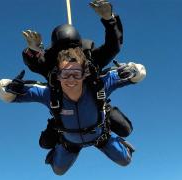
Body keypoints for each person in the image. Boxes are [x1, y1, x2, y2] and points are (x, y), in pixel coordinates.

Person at [0, 47, 146, 175]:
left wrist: (131, 70)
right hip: (69, 142)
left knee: (125, 160)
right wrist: (10, 88)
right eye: (65, 75)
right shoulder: (49, 94)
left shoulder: (99, 86)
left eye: (76, 74)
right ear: (58, 76)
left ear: (85, 74)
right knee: (58, 171)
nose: (71, 80)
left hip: (101, 136)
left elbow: (139, 72)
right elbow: (5, 94)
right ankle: (55, 148)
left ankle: (121, 143)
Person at [20, 0, 134, 149]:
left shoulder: (90, 60)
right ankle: (65, 142)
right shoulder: (52, 66)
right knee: (45, 143)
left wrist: (110, 19)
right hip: (67, 117)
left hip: (94, 108)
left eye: (73, 49)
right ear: (54, 53)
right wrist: (33, 51)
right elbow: (35, 64)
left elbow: (112, 46)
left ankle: (106, 135)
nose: (68, 56)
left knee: (125, 129)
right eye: (61, 52)